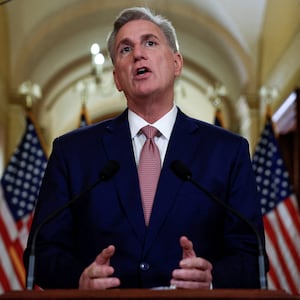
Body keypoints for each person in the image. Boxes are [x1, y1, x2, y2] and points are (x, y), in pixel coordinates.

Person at [24, 7, 267, 290]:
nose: (138, 53)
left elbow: (253, 256)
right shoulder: (72, 153)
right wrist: (79, 279)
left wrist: (212, 279)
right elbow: (40, 252)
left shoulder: (228, 152)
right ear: (117, 78)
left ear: (176, 63)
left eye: (150, 43)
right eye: (125, 49)